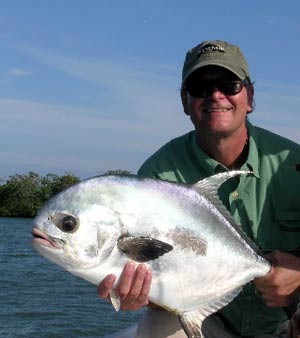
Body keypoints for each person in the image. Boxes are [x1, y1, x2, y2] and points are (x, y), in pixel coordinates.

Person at [98, 40, 300, 337]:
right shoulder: (157, 176)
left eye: (229, 85)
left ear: (250, 97)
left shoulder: (292, 164)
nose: (215, 95)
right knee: (157, 327)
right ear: (184, 101)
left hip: (288, 323)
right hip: (210, 323)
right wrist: (144, 294)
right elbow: (161, 283)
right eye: (200, 87)